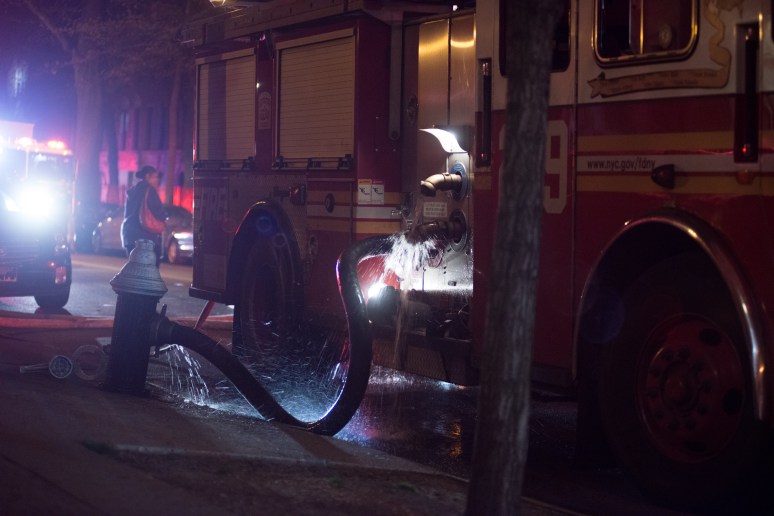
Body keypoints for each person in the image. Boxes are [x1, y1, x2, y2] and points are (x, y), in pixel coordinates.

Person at [121, 165, 167, 266]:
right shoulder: (150, 190)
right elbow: (157, 210)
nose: (157, 180)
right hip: (145, 236)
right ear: (147, 176)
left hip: (129, 234)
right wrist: (165, 217)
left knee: (133, 268)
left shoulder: (132, 191)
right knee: (151, 270)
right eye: (154, 177)